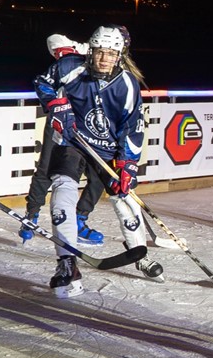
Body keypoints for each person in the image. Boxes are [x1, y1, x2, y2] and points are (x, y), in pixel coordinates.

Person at [33, 25, 163, 298]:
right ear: (90, 51)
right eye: (100, 52)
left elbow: (133, 125)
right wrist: (56, 105)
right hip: (73, 142)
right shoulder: (71, 67)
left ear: (120, 56)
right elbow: (42, 82)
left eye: (111, 54)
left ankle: (139, 254)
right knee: (61, 195)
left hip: (109, 151)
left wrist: (128, 163)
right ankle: (67, 263)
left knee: (125, 202)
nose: (104, 59)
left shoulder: (126, 84)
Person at [19, 33, 106, 246]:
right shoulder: (67, 61)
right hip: (59, 122)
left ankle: (80, 219)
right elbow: (54, 40)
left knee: (100, 173)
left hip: (89, 124)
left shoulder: (94, 55)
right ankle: (31, 215)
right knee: (47, 168)